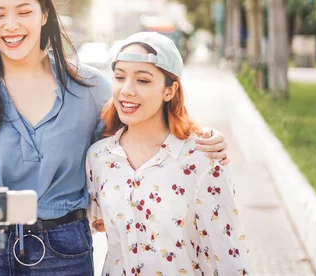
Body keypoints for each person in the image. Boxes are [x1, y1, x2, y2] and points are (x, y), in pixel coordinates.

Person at [0, 0, 229, 276]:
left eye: (24, 12)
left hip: (64, 251)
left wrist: (201, 139)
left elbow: (143, 137)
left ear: (45, 15)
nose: (11, 25)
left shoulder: (90, 88)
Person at [86, 31, 250, 276]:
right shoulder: (99, 158)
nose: (127, 90)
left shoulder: (202, 158)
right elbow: (95, 224)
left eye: (143, 80)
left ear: (169, 91)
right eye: (120, 77)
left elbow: (228, 253)